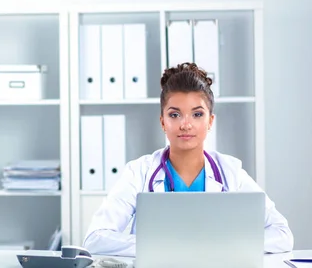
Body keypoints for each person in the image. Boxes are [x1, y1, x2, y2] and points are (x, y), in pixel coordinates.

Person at [82, 62, 294, 257]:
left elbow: (282, 234)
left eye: (197, 114)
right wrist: (166, 246)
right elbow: (95, 239)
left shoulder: (231, 172)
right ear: (163, 122)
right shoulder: (139, 172)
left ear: (210, 121)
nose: (186, 124)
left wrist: (223, 244)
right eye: (175, 115)